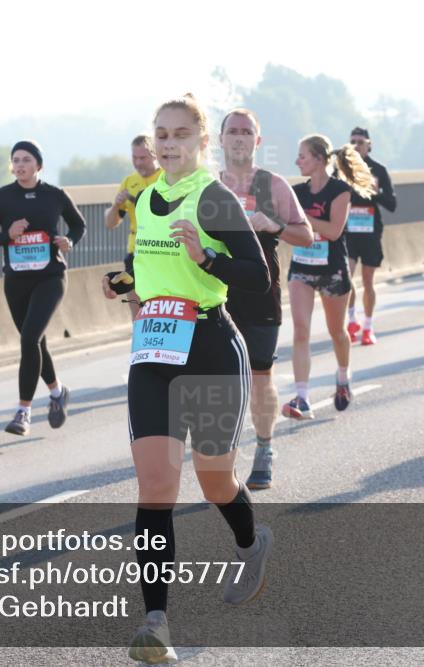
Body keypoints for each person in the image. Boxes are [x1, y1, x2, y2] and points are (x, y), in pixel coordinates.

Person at [101, 94, 272, 664]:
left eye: (180, 134)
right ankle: (156, 623)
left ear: (201, 141)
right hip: (155, 348)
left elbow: (258, 276)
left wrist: (207, 260)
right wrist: (126, 284)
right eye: (161, 134)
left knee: (214, 481)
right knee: (155, 487)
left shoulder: (213, 198)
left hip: (210, 346)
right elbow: (149, 266)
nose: (168, 143)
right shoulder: (145, 198)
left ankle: (251, 542)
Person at [217, 108, 313, 490]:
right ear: (221, 139)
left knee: (260, 376)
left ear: (257, 141)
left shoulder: (273, 185)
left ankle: (264, 448)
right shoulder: (207, 186)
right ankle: (223, 461)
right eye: (233, 131)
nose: (239, 137)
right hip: (215, 294)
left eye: (246, 131)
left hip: (260, 294)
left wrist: (274, 224)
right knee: (220, 381)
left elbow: (306, 235)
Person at [0, 141, 85, 437]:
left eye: (26, 160)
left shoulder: (55, 195)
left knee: (29, 338)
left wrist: (69, 241)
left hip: (50, 277)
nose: (20, 165)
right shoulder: (1, 198)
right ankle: (58, 392)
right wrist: (7, 236)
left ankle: (23, 412)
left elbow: (78, 225)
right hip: (16, 280)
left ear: (39, 165)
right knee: (34, 342)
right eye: (16, 160)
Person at [283, 135, 375, 420]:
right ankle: (302, 397)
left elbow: (334, 231)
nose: (297, 161)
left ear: (319, 159)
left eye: (302, 156)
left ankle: (343, 376)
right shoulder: (296, 192)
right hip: (302, 267)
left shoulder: (340, 191)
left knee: (337, 332)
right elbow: (288, 228)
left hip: (332, 270)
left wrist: (303, 220)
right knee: (301, 330)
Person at [345, 127, 397, 345]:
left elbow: (392, 204)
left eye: (360, 142)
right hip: (348, 232)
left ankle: (368, 326)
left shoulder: (379, 170)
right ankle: (351, 320)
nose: (356, 146)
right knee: (346, 277)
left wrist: (376, 192)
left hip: (370, 231)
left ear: (369, 145)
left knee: (368, 281)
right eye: (352, 142)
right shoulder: (343, 168)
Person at [104, 135, 161, 317]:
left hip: (163, 250)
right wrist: (116, 205)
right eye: (134, 158)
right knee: (137, 311)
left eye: (143, 158)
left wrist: (135, 199)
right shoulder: (129, 182)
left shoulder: (165, 178)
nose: (138, 163)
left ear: (154, 154)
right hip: (135, 250)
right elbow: (111, 223)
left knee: (160, 308)